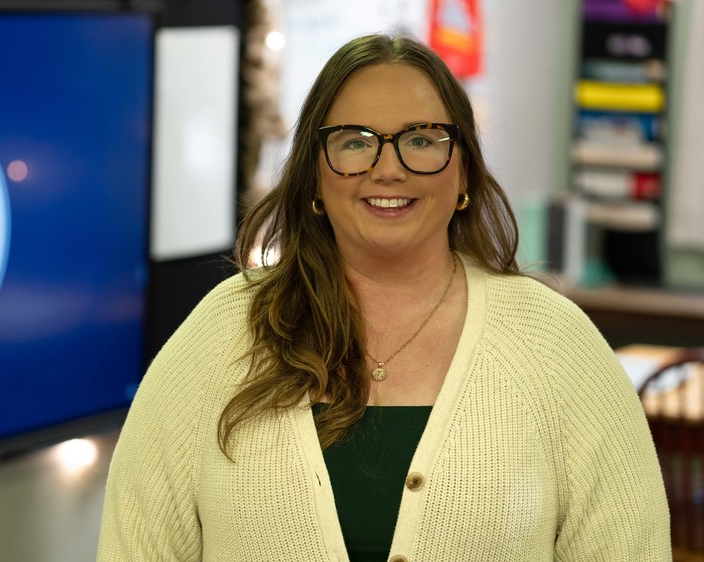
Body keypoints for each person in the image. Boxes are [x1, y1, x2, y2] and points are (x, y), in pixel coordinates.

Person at [97, 33, 670, 561]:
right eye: (355, 142)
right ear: (315, 175)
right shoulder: (224, 332)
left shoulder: (557, 345)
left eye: (421, 140)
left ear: (464, 173)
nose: (388, 169)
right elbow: (134, 546)